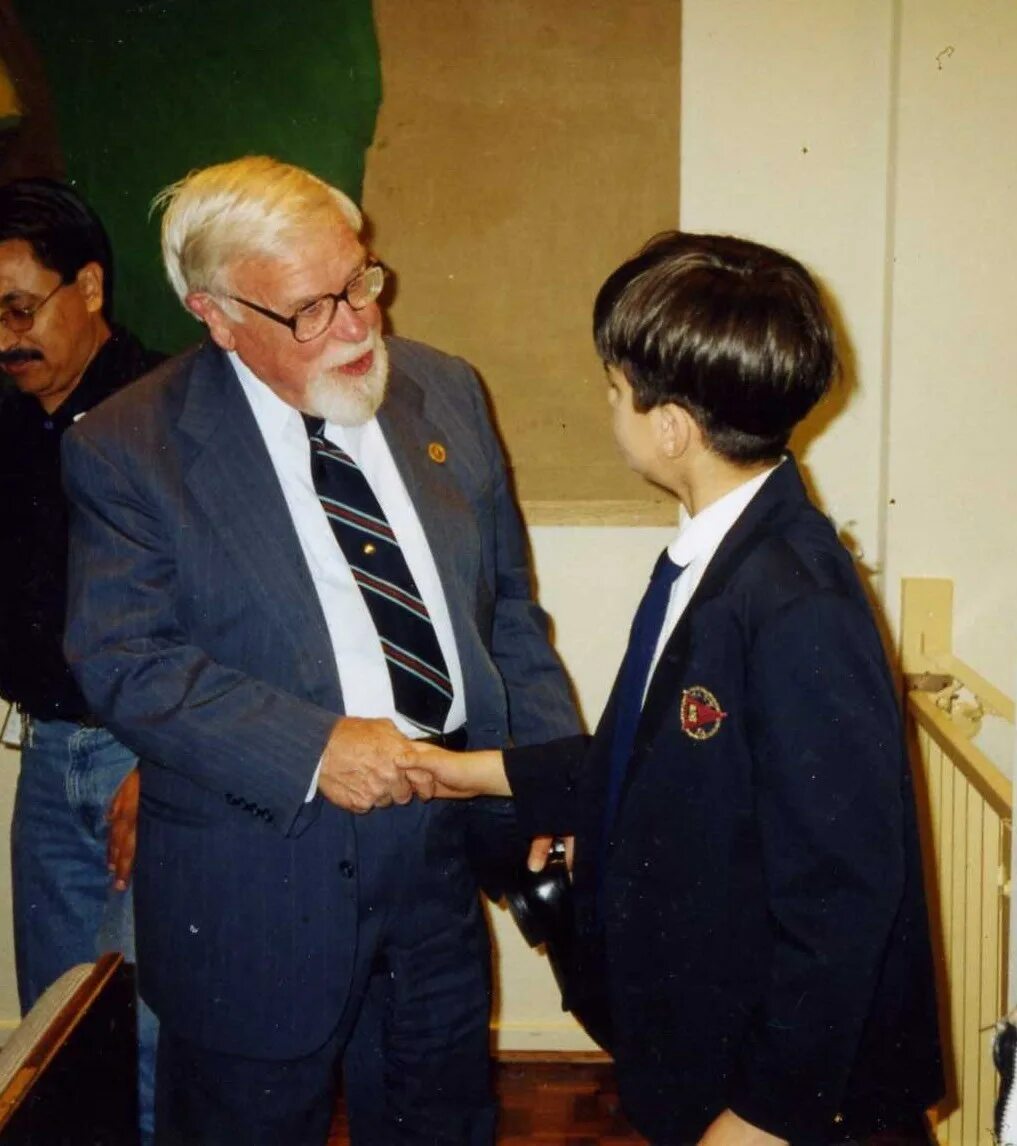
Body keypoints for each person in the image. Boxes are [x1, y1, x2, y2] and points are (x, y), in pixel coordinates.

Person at [60, 155, 580, 1145]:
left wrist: (543, 784)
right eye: (311, 308)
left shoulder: (445, 391)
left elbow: (506, 611)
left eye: (362, 282)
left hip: (434, 868)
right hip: (255, 884)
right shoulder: (128, 447)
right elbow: (126, 658)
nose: (356, 324)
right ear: (216, 314)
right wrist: (315, 746)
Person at [404, 232, 944, 1145]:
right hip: (702, 1040)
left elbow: (843, 891)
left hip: (784, 1092)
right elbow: (646, 758)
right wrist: (470, 774)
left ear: (669, 427)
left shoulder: (794, 596)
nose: (606, 404)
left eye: (613, 389)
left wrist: (765, 1115)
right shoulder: (717, 556)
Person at [0, 176, 163, 1142]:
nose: (4, 336)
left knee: (145, 1042)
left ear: (90, 288)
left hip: (138, 763)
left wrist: (163, 756)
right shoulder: (11, 421)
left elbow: (225, 613)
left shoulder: (169, 410)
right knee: (55, 1033)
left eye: (20, 308)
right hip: (45, 758)